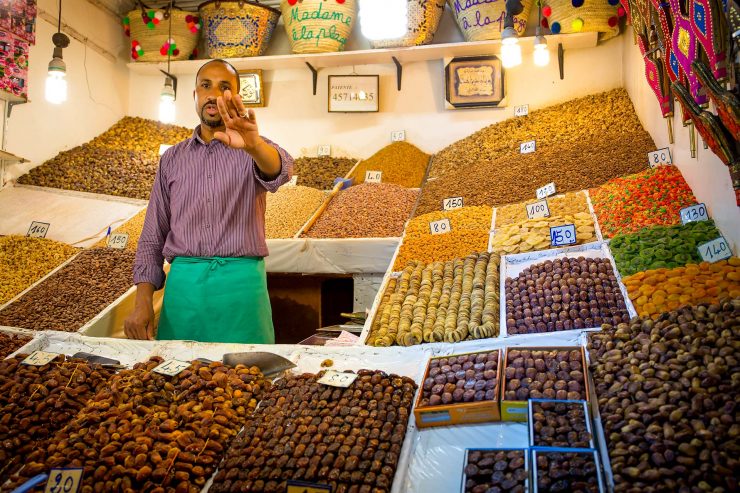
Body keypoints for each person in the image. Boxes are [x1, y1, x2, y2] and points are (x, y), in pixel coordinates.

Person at [124, 59, 293, 343]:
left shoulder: (254, 147)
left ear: (237, 97)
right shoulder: (172, 159)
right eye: (206, 85)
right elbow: (153, 234)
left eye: (224, 87)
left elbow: (281, 171)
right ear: (195, 95)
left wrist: (254, 145)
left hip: (241, 290)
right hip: (184, 290)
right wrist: (142, 302)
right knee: (178, 381)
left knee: (247, 379)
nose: (213, 94)